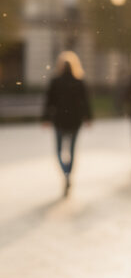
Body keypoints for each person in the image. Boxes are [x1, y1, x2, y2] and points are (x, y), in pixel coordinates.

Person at [42, 50, 92, 196]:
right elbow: (85, 102)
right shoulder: (79, 81)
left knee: (59, 150)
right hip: (75, 120)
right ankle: (69, 174)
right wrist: (88, 117)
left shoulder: (55, 81)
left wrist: (45, 118)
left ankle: (65, 172)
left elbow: (49, 102)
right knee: (71, 150)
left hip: (59, 120)